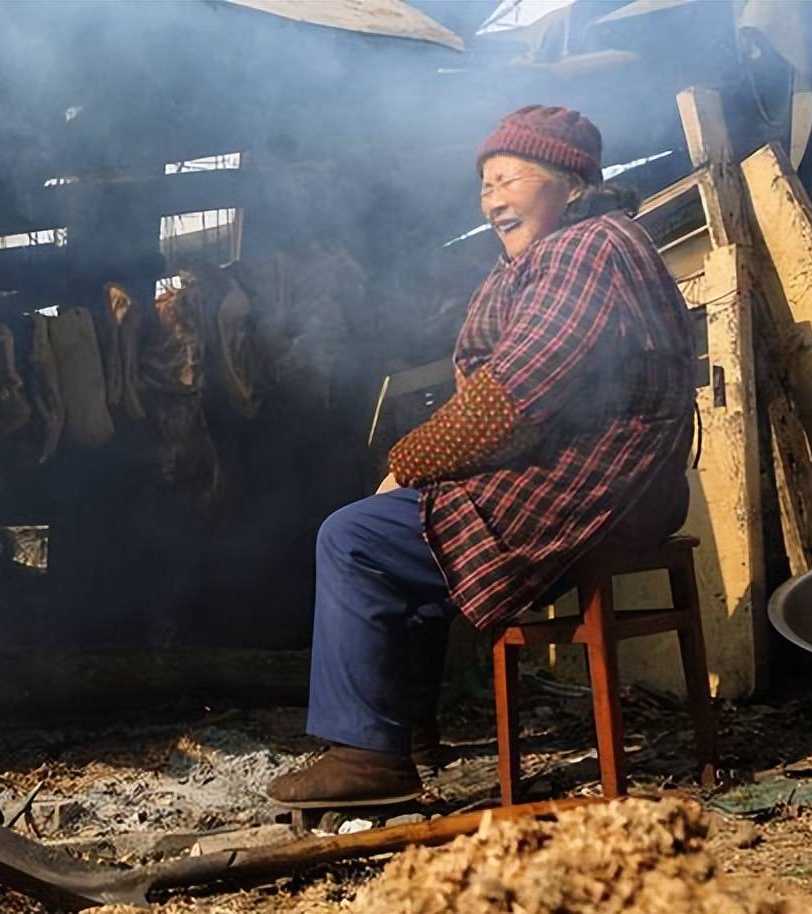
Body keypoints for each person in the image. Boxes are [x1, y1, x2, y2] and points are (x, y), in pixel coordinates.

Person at [268, 105, 695, 808]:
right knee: (413, 534)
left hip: (595, 481)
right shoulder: (556, 254)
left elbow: (518, 389)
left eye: (509, 177)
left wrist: (408, 463)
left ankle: (368, 756)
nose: (492, 197)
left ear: (573, 183)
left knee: (354, 538)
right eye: (484, 184)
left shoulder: (590, 247)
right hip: (598, 476)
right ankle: (404, 734)